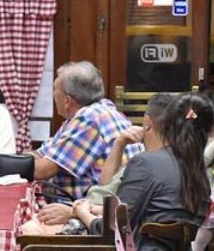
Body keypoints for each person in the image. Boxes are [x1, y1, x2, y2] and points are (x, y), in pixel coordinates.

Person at [69, 92, 214, 251]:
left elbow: (112, 230)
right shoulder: (197, 171)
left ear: (148, 122)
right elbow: (152, 214)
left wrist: (82, 213)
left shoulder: (146, 163)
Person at [32, 61, 138, 201]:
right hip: (93, 206)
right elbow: (42, 154)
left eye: (54, 89)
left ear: (67, 101)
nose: (52, 95)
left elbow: (41, 171)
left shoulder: (90, 119)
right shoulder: (99, 111)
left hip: (93, 211)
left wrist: (7, 166)